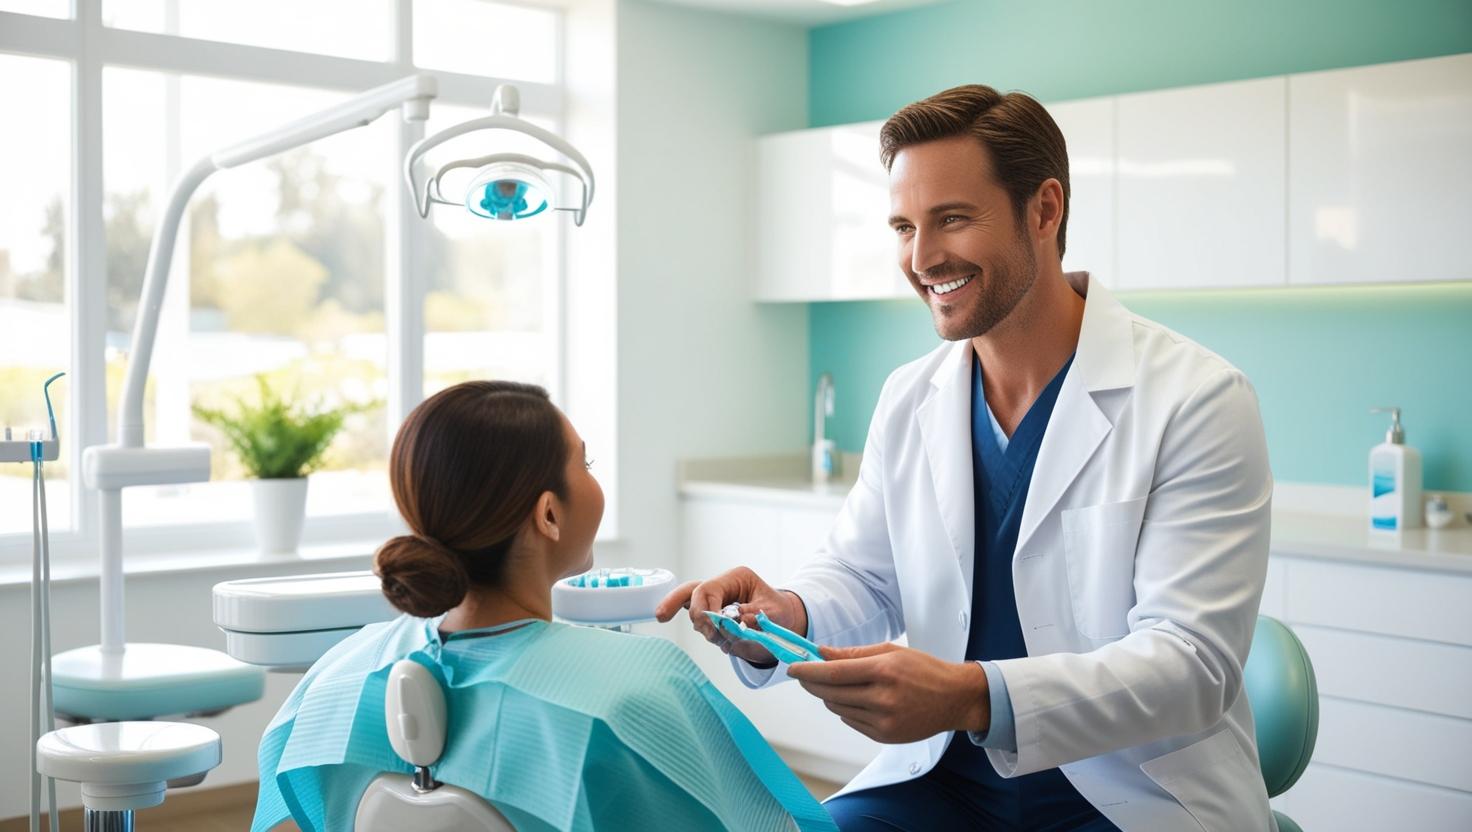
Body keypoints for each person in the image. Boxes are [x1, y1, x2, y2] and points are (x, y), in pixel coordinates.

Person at [659, 84, 1275, 831]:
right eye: (903, 227)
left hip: (1127, 790)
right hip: (944, 779)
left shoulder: (1197, 399)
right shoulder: (910, 397)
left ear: (1043, 211)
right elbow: (860, 573)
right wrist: (781, 615)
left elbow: (1190, 665)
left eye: (951, 219)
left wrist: (972, 694)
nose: (922, 259)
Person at [252, 380, 836, 832]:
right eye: (583, 463)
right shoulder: (636, 690)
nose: (591, 476)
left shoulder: (335, 679)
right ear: (549, 515)